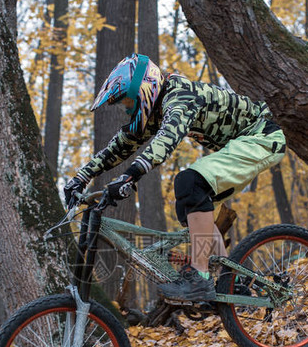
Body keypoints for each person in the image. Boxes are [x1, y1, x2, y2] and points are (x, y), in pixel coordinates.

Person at [64, 53, 286, 302]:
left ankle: (200, 278)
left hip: (262, 136)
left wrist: (131, 175)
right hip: (241, 144)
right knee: (191, 208)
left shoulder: (180, 95)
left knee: (189, 182)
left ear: (144, 88)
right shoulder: (158, 107)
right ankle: (233, 281)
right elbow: (120, 146)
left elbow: (167, 139)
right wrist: (81, 177)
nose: (126, 108)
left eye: (127, 101)